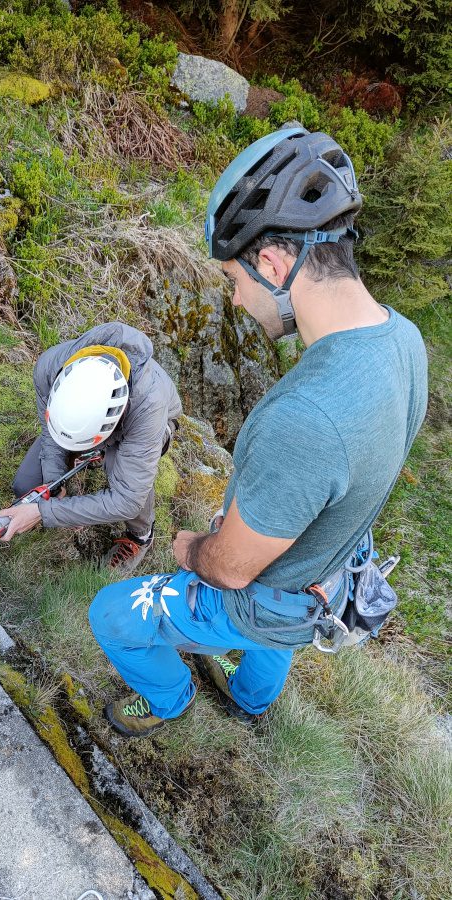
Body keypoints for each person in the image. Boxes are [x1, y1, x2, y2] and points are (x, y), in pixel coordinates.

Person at [88, 127, 428, 736]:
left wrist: (187, 547)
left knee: (112, 613)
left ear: (272, 262)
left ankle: (168, 701)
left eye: (235, 280)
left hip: (263, 596)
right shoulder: (405, 341)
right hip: (326, 578)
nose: (238, 300)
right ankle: (250, 701)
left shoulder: (305, 418)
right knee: (275, 639)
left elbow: (231, 570)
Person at [0, 322, 182, 573]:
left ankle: (141, 535)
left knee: (121, 470)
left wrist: (45, 512)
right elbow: (50, 437)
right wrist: (55, 484)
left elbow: (127, 500)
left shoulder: (149, 405)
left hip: (151, 425)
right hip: (95, 423)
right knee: (26, 484)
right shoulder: (50, 367)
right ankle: (86, 455)